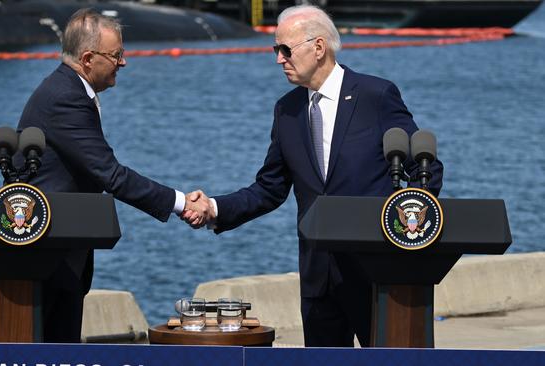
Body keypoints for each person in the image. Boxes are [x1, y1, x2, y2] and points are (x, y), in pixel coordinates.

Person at [183, 5, 443, 347]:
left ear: (318, 47)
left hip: (378, 276)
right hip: (318, 279)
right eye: (276, 49)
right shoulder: (287, 110)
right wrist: (215, 208)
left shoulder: (375, 96)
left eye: (285, 49)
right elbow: (269, 188)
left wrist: (405, 235)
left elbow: (425, 172)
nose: (279, 59)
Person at [15, 8, 212, 342]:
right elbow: (111, 175)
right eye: (117, 55)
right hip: (47, 255)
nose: (124, 62)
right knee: (50, 350)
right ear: (89, 58)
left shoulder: (69, 89)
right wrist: (181, 203)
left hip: (59, 250)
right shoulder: (66, 98)